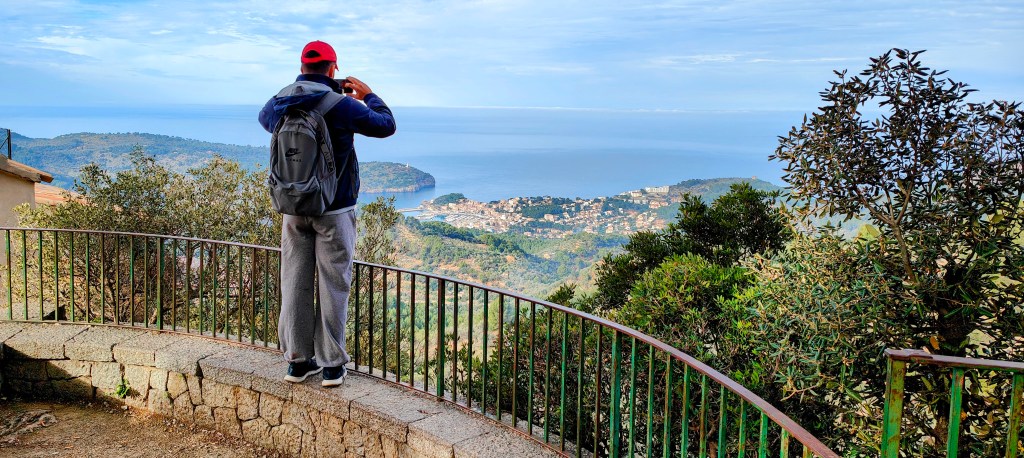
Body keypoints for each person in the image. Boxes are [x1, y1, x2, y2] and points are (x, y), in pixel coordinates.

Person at [258, 40, 396, 387]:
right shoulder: (340, 104)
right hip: (334, 210)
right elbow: (385, 125)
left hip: (292, 208)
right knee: (333, 285)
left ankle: (298, 362)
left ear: (302, 66)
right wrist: (367, 95)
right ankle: (332, 366)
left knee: (294, 284)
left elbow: (264, 118)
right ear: (333, 68)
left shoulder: (281, 103)